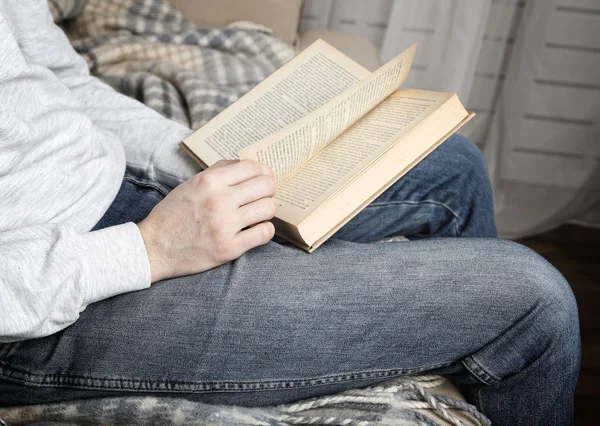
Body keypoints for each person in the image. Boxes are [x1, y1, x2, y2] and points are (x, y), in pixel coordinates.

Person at [0, 1, 580, 425]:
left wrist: (197, 158)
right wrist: (152, 249)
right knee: (532, 301)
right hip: (56, 298)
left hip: (119, 186)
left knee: (452, 167)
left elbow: (63, 81)